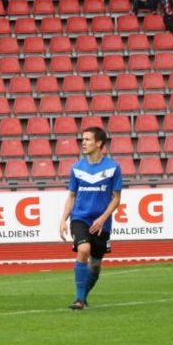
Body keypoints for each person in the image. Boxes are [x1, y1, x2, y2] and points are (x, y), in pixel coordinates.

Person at [58, 127, 123, 310]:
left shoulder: (113, 168)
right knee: (83, 249)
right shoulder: (77, 168)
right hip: (80, 218)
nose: (83, 143)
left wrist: (102, 219)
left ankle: (83, 297)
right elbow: (72, 196)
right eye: (83, 139)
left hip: (102, 223)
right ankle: (79, 299)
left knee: (94, 266)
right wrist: (63, 220)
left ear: (99, 143)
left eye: (87, 139)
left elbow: (116, 198)